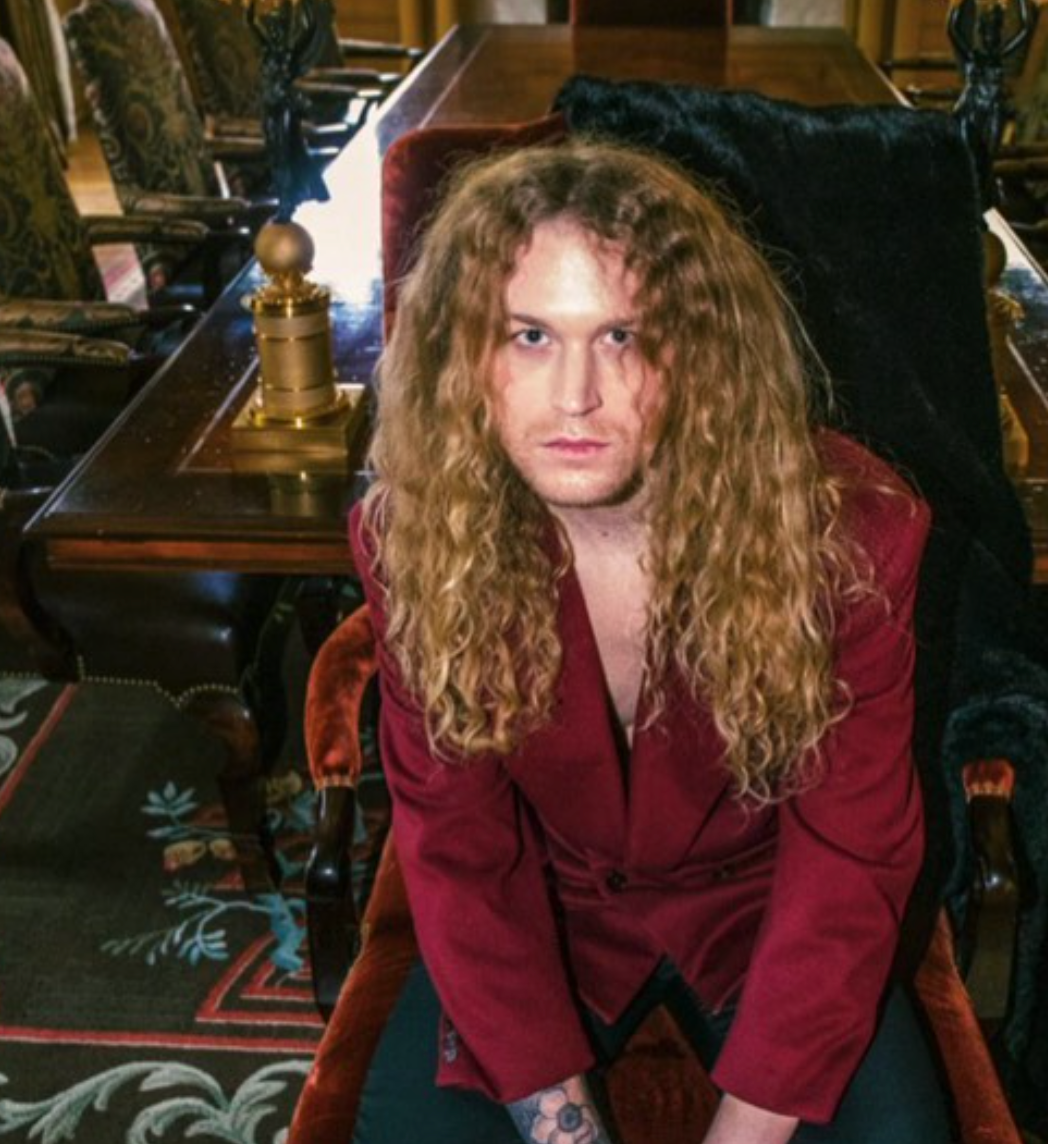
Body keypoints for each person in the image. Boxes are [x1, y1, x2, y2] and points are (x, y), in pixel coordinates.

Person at [348, 140, 950, 1144]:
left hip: (769, 906)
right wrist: (563, 1129)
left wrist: (745, 1135)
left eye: (624, 335)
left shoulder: (857, 532)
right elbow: (458, 852)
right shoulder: (412, 536)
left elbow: (851, 857)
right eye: (529, 336)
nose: (576, 395)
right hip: (551, 906)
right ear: (464, 355)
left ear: (705, 352)